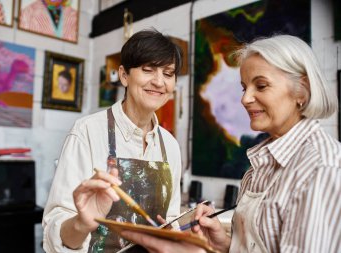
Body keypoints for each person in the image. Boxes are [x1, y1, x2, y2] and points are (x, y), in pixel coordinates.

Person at [118, 34, 341, 253]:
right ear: (124, 75)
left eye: (261, 86)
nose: (245, 99)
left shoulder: (321, 168)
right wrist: (224, 245)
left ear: (301, 90)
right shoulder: (258, 168)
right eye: (245, 88)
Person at [42, 28, 183, 253]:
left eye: (168, 74)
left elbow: (171, 220)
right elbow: (55, 231)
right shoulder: (87, 131)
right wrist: (81, 223)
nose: (159, 82)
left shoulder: (171, 146)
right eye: (148, 70)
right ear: (124, 75)